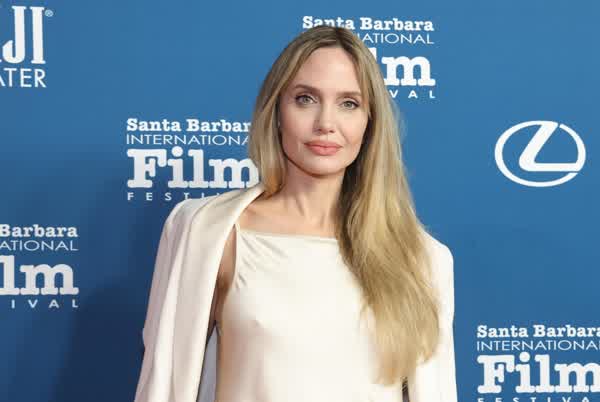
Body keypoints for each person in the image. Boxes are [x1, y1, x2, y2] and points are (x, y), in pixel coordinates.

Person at [134, 25, 457, 402]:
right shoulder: (209, 232)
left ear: (370, 122)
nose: (326, 123)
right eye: (305, 99)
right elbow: (165, 384)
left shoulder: (420, 257)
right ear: (276, 111)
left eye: (349, 103)